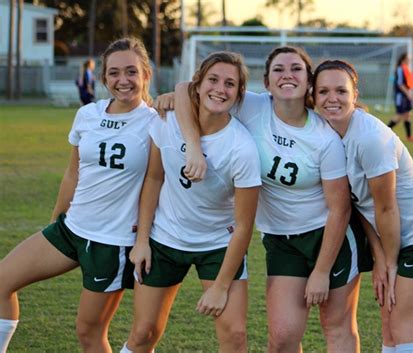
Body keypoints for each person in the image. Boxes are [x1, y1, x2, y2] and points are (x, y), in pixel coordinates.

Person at [156, 46, 372, 353]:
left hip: (329, 237)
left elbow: (340, 209)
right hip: (281, 240)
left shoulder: (324, 137)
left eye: (296, 69)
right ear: (266, 83)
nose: (287, 75)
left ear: (308, 81)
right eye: (279, 70)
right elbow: (185, 89)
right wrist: (190, 139)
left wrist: (321, 272)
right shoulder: (253, 106)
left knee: (336, 327)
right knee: (283, 337)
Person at [0, 37, 157, 353]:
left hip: (111, 243)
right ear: (103, 77)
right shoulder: (88, 114)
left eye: (131, 72)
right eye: (114, 73)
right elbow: (74, 172)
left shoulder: (156, 122)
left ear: (145, 75)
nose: (122, 80)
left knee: (89, 333)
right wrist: (56, 218)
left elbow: (155, 182)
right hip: (70, 229)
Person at [312, 59, 413, 353]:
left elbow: (386, 208)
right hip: (395, 237)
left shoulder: (369, 138)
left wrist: (390, 264)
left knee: (404, 328)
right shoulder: (327, 136)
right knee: (389, 325)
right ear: (313, 96)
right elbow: (361, 206)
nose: (332, 99)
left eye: (341, 91)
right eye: (323, 91)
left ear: (355, 94)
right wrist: (380, 258)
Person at [120, 52, 261, 353]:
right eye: (213, 79)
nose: (220, 89)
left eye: (230, 84)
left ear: (238, 95)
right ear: (198, 84)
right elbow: (154, 180)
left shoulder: (243, 148)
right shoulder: (167, 120)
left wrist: (222, 286)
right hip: (165, 240)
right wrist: (142, 240)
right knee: (143, 333)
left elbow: (245, 225)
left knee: (235, 337)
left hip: (217, 246)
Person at [387, 53, 413, 142]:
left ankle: (409, 137)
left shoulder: (406, 69)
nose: (409, 60)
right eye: (408, 58)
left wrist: (409, 94)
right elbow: (400, 84)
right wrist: (408, 94)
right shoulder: (400, 69)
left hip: (405, 95)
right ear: (403, 59)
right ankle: (383, 132)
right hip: (400, 95)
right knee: (399, 115)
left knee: (407, 114)